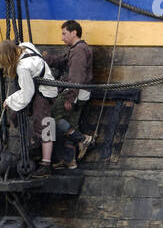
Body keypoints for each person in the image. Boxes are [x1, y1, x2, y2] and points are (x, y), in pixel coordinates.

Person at [1, 39, 59, 177]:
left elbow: (27, 94)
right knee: (15, 116)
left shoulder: (23, 68)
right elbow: (25, 42)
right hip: (36, 89)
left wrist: (9, 100)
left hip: (45, 91)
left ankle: (46, 164)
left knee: (44, 123)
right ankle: (34, 144)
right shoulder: (25, 46)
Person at [46, 20, 95, 168]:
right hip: (79, 93)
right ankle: (69, 161)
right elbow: (62, 61)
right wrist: (46, 58)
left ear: (74, 33)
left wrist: (70, 97)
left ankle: (82, 139)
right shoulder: (75, 49)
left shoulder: (79, 51)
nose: (62, 37)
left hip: (75, 93)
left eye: (64, 33)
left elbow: (76, 76)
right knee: (69, 124)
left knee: (53, 116)